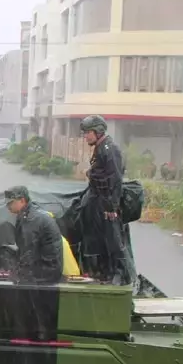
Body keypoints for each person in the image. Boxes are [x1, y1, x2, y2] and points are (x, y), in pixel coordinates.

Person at [79, 115, 131, 285]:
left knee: (113, 239)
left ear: (98, 131)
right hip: (98, 200)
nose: (85, 136)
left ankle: (120, 275)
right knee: (101, 239)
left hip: (107, 202)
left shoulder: (109, 149)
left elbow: (115, 178)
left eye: (88, 132)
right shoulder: (101, 147)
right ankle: (106, 272)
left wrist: (111, 207)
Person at [5, 186, 64, 285]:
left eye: (10, 203)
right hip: (44, 269)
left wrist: (17, 275)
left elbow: (28, 253)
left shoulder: (32, 219)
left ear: (22, 200)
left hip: (46, 273)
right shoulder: (28, 214)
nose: (8, 206)